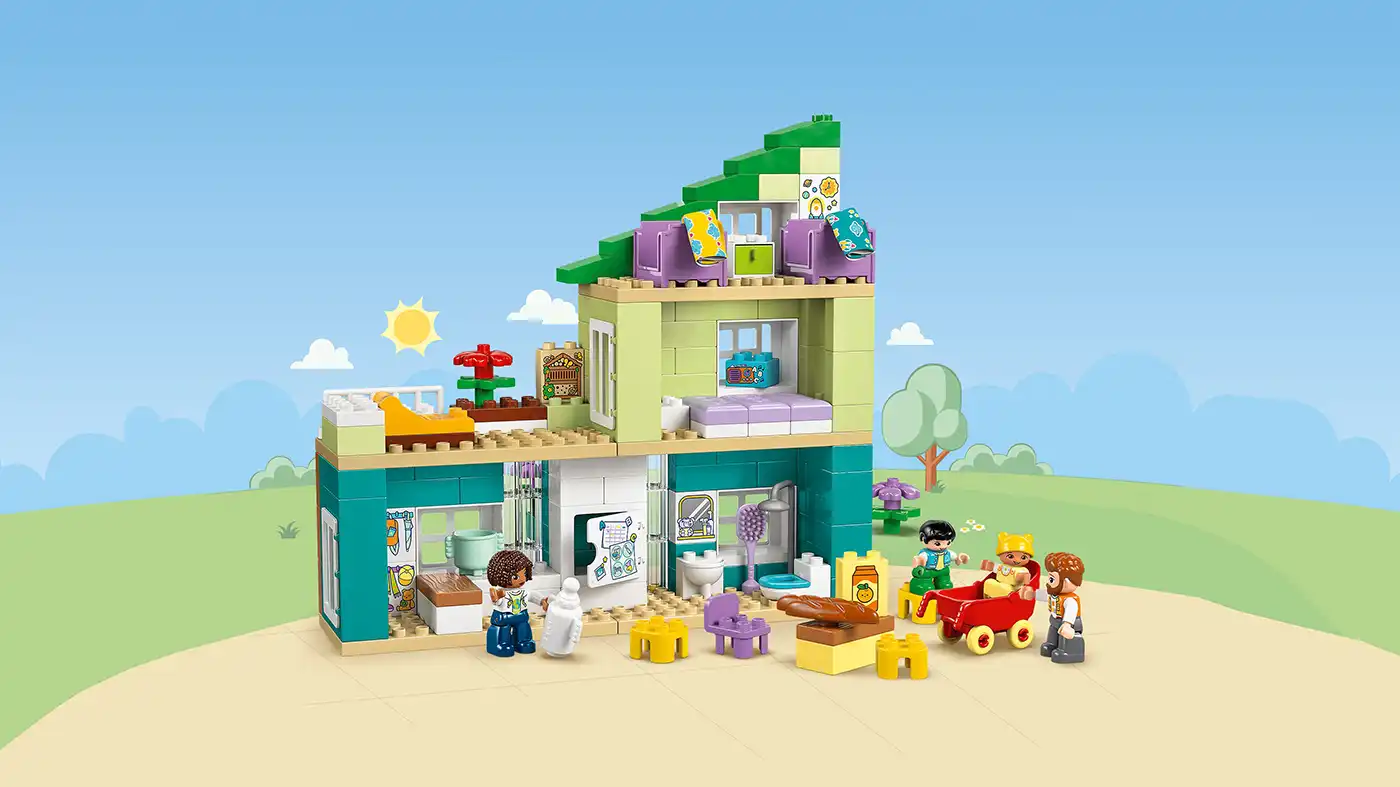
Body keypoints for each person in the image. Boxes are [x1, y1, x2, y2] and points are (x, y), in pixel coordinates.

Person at [485, 550, 550, 658]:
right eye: (515, 577)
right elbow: (498, 602)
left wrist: (542, 601)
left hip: (521, 616)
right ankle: (501, 644)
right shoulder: (502, 593)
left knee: (523, 627)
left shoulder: (523, 592)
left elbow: (532, 595)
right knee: (502, 630)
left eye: (524, 574)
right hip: (504, 617)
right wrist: (496, 598)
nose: (522, 579)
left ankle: (523, 641)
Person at [1040, 551, 1086, 664]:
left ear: (1065, 583)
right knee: (1053, 632)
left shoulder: (1070, 600)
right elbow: (1045, 596)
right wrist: (1031, 594)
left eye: (1052, 579)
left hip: (1067, 624)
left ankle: (1066, 651)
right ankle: (1052, 644)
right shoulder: (1055, 595)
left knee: (1064, 637)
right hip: (1055, 621)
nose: (1049, 583)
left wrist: (1067, 624)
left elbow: (1071, 611)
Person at [912, 520, 969, 591]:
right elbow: (919, 561)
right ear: (923, 538)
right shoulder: (925, 554)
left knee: (945, 585)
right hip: (928, 571)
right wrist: (919, 563)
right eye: (937, 543)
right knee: (925, 583)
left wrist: (959, 559)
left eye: (948, 543)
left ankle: (943, 583)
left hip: (943, 571)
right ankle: (921, 584)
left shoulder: (948, 553)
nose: (943, 546)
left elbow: (956, 559)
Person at [980, 532, 1034, 598]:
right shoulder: (1002, 566)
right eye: (1010, 556)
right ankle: (988, 597)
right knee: (988, 582)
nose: (1017, 560)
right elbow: (994, 567)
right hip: (1000, 585)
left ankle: (998, 599)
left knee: (1006, 589)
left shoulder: (1022, 570)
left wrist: (1024, 581)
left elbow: (1024, 577)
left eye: (1023, 557)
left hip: (1013, 591)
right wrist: (988, 565)